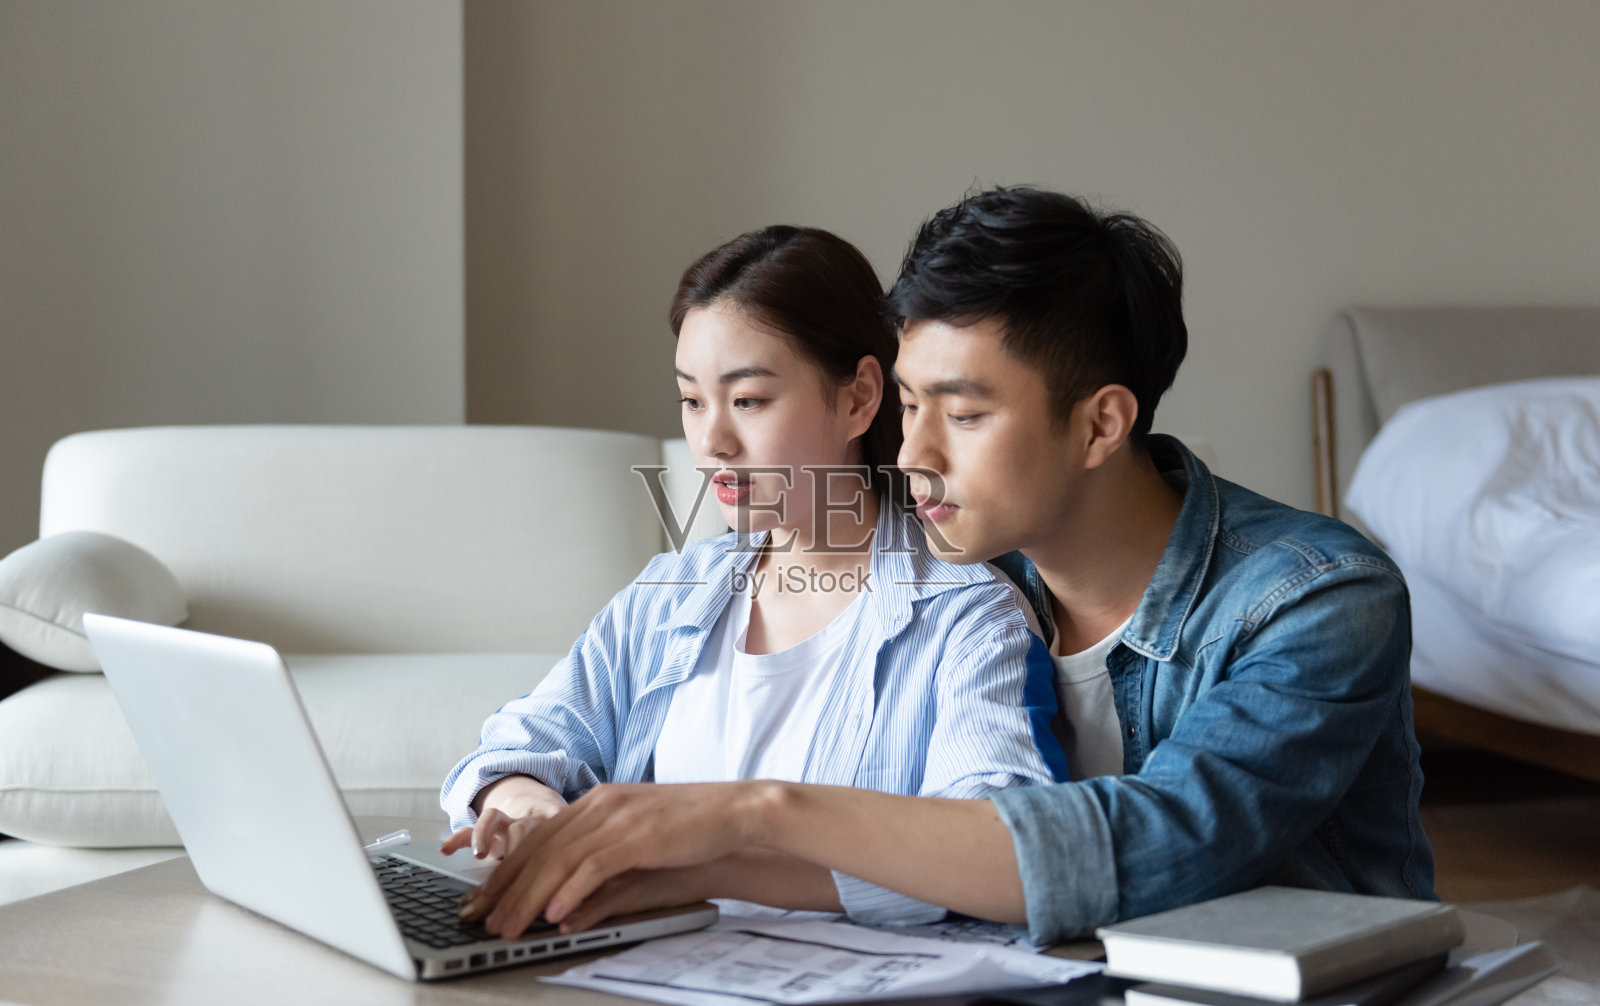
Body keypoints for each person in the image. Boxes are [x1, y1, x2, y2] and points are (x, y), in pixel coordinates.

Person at [455, 188, 1438, 947]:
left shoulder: (1314, 600)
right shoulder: (972, 569)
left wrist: (750, 818)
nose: (913, 452)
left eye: (962, 415)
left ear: (1100, 422)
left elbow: (1156, 842)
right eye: (910, 407)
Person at [441, 224, 1064, 926]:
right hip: (639, 988)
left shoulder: (967, 616)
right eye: (692, 401)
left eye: (748, 401)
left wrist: (706, 870)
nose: (712, 441)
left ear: (859, 398)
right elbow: (524, 743)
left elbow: (1001, 853)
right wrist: (530, 810)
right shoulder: (674, 590)